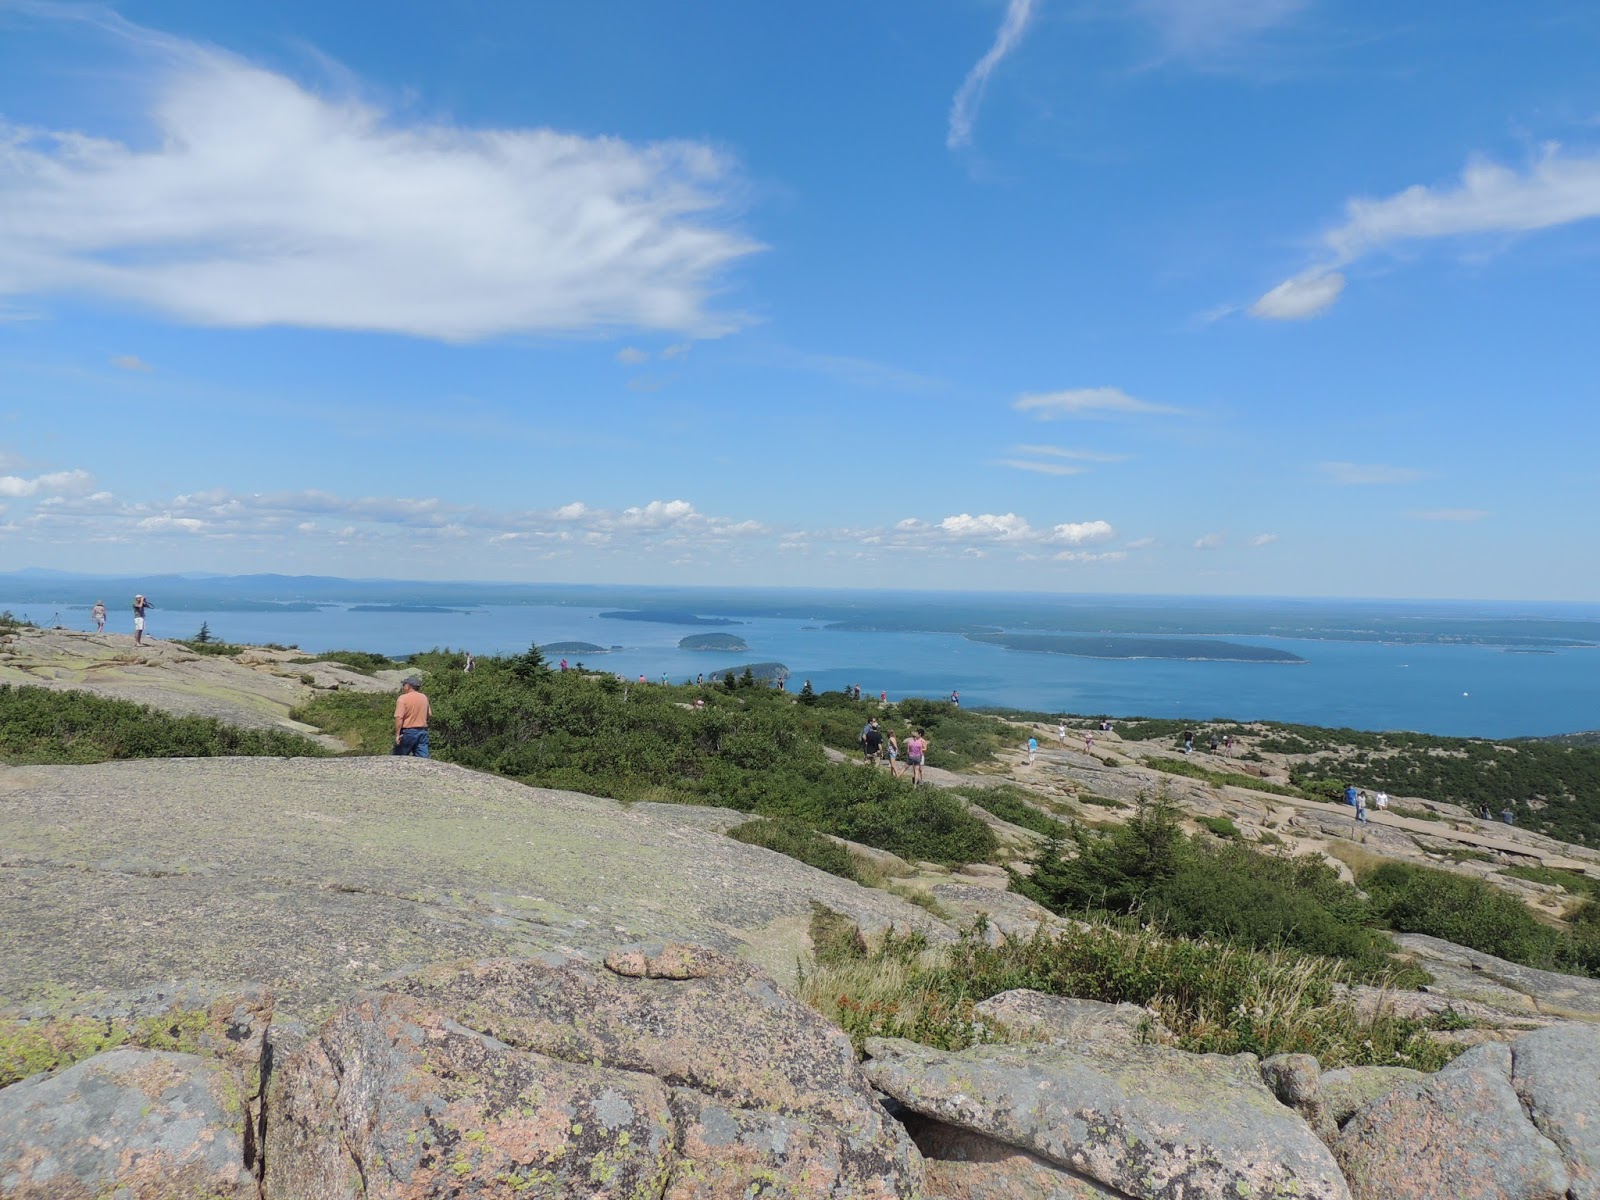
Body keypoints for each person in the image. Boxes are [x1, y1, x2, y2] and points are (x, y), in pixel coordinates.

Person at [392, 676, 431, 757]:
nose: (403, 687)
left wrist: (397, 735)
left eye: (404, 685)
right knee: (423, 760)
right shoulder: (424, 697)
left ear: (408, 686)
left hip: (407, 732)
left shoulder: (403, 698)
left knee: (398, 758)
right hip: (422, 732)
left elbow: (399, 717)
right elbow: (429, 714)